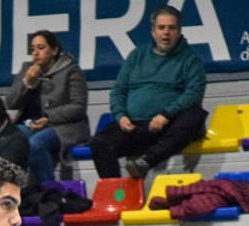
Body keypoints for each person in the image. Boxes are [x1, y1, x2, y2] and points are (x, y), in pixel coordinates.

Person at [89, 5, 207, 181]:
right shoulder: (137, 56)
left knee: (195, 115)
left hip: (169, 127)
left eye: (171, 28)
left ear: (179, 31)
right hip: (137, 127)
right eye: (161, 28)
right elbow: (119, 90)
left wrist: (165, 115)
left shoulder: (190, 60)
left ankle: (145, 162)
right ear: (153, 32)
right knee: (99, 143)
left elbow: (194, 93)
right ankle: (116, 194)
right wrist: (121, 116)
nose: (166, 33)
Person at [4, 30, 89, 185]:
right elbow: (10, 102)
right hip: (32, 123)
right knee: (9, 141)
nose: (35, 53)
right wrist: (27, 82)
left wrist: (49, 117)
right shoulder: (27, 70)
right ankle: (19, 191)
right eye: (32, 49)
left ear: (54, 50)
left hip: (63, 126)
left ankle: (49, 190)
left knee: (34, 144)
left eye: (41, 48)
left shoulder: (71, 70)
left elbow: (78, 107)